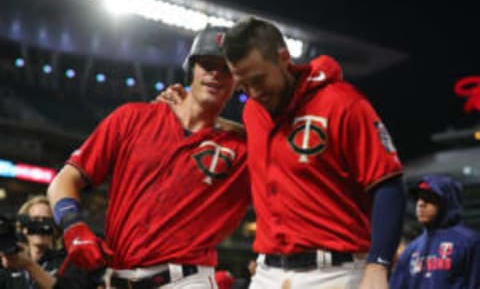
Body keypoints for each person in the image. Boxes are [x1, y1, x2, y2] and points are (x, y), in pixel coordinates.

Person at [47, 26, 250, 289]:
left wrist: (231, 126)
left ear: (238, 82)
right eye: (208, 64)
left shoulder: (243, 150)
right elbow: (64, 181)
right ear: (191, 68)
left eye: (227, 68)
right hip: (119, 278)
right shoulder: (132, 117)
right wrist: (73, 226)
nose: (215, 74)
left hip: (187, 281)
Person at [222, 17, 406, 289]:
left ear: (283, 58)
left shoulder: (343, 102)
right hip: (267, 272)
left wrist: (378, 265)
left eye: (258, 80)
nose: (253, 93)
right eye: (243, 86)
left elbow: (388, 184)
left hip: (334, 273)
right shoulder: (253, 112)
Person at [389, 174, 480, 289]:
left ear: (446, 202)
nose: (421, 204)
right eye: (419, 198)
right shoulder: (411, 249)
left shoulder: (469, 242)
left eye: (429, 198)